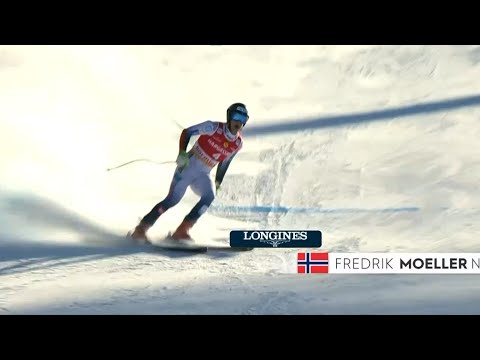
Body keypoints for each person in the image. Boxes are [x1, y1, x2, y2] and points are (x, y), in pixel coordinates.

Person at [129, 102, 249, 244]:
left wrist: (218, 182)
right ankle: (141, 229)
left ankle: (182, 231)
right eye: (236, 117)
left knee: (209, 197)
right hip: (187, 167)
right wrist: (182, 153)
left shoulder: (238, 144)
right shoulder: (213, 127)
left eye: (243, 119)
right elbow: (187, 132)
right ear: (229, 117)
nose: (238, 122)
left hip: (203, 174)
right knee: (172, 200)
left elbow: (225, 163)